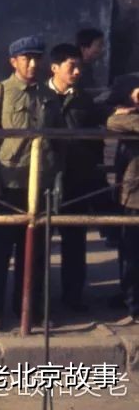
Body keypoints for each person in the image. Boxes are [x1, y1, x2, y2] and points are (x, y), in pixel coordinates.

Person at [0, 36, 58, 331]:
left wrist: (53, 180)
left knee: (34, 253)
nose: (33, 64)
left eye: (37, 58)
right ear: (13, 61)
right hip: (7, 185)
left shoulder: (48, 95)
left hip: (39, 186)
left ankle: (30, 310)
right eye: (26, 58)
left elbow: (57, 142)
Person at [47, 43, 107, 312]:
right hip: (44, 180)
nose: (77, 71)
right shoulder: (39, 97)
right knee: (38, 242)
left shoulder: (84, 100)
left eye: (79, 66)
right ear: (55, 68)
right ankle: (37, 302)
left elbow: (96, 137)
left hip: (76, 180)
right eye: (72, 66)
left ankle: (73, 298)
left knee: (74, 244)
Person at [107, 77, 139, 324]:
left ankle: (134, 305)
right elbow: (114, 121)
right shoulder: (126, 119)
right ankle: (130, 299)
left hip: (134, 193)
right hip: (130, 192)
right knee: (128, 249)